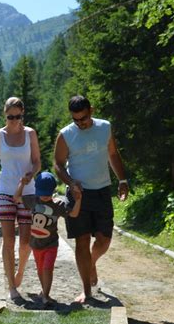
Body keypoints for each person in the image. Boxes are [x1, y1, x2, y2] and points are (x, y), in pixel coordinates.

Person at [54, 95, 128, 304]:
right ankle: (86, 292)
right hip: (79, 194)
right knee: (82, 241)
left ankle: (92, 262)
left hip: (102, 191)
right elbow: (58, 164)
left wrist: (122, 179)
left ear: (91, 111)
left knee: (104, 240)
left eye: (84, 118)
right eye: (76, 119)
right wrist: (70, 182)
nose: (81, 123)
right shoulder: (66, 135)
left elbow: (113, 154)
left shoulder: (105, 127)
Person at [0, 97, 41, 300]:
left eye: (18, 116)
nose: (14, 120)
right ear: (4, 115)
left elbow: (37, 161)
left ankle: (20, 271)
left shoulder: (30, 134)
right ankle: (12, 287)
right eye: (10, 117)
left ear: (22, 114)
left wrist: (30, 175)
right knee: (8, 240)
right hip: (5, 191)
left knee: (25, 242)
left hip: (28, 191)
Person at [14, 171, 82, 305]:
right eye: (42, 193)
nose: (45, 196)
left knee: (47, 268)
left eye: (47, 193)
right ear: (36, 190)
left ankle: (45, 295)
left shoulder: (58, 205)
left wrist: (79, 199)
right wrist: (22, 184)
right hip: (35, 244)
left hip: (51, 244)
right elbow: (16, 197)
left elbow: (73, 214)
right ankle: (44, 292)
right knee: (40, 270)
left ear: (53, 191)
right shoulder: (33, 200)